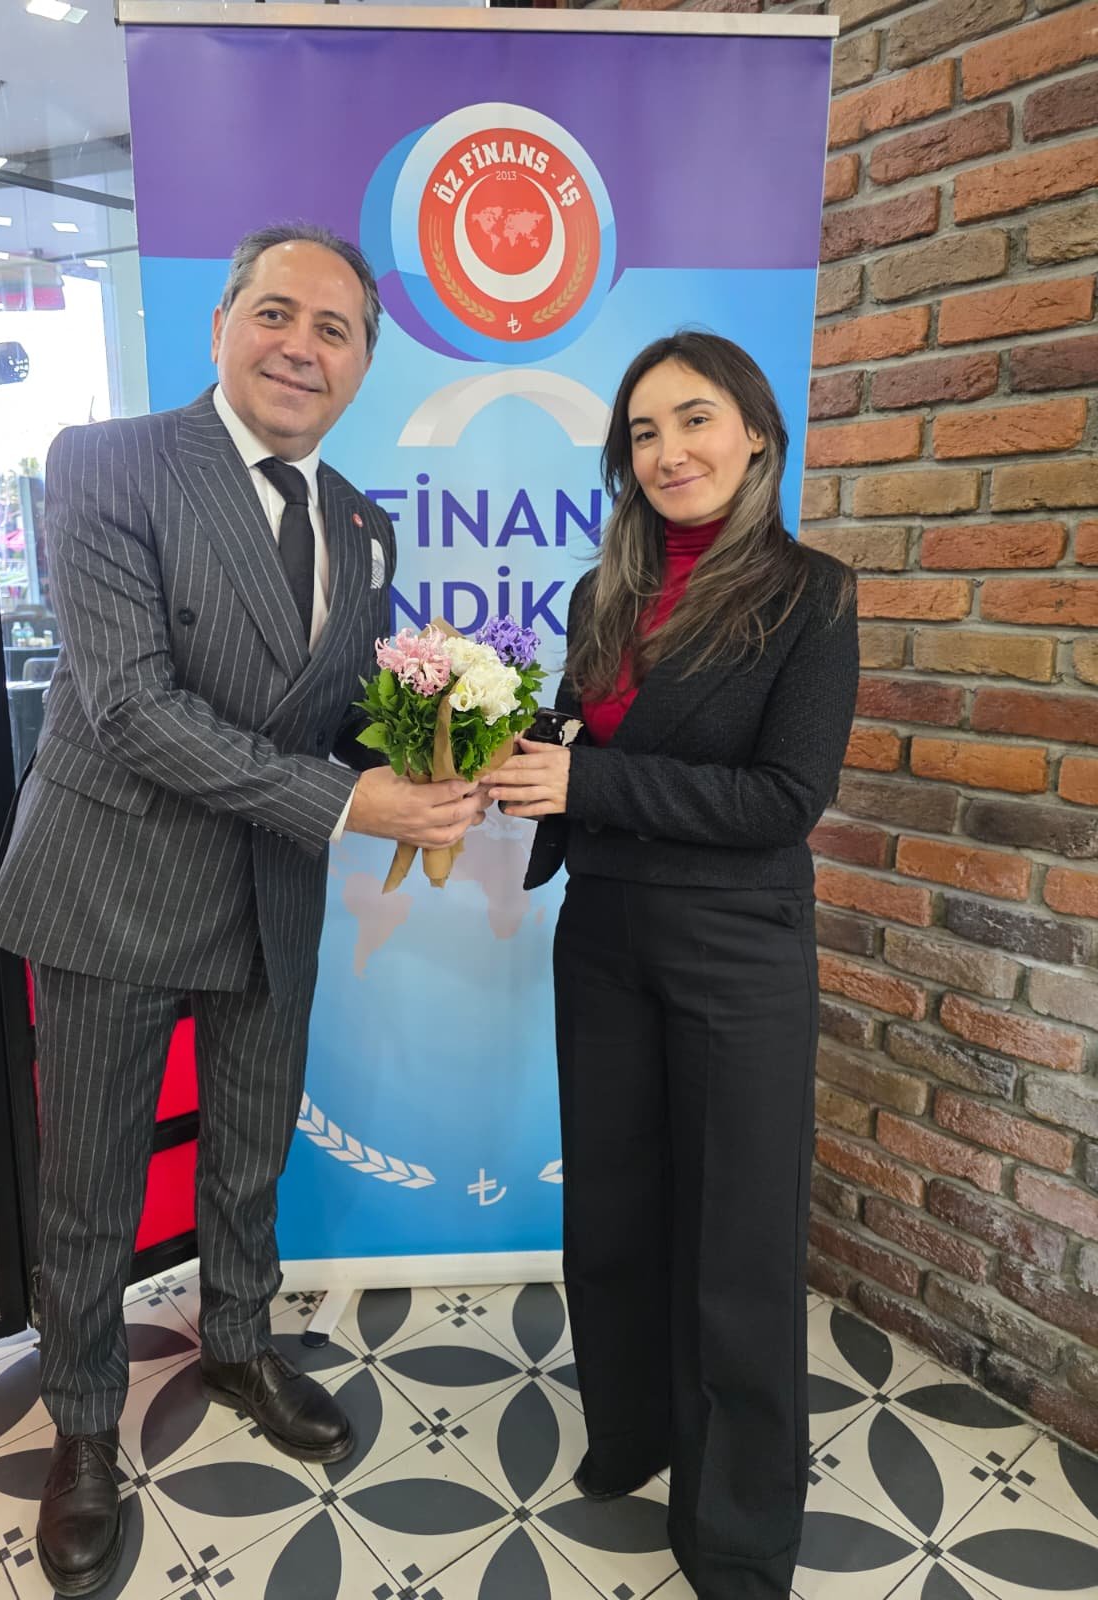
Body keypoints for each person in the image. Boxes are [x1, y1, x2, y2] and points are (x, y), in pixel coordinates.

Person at [0, 222, 487, 1597]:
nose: (300, 347)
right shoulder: (107, 462)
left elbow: (339, 714)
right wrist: (352, 805)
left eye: (334, 330)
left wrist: (451, 751)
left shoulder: (363, 524)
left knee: (250, 1146)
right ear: (221, 325)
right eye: (276, 313)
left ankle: (240, 1342)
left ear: (363, 365)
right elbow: (131, 709)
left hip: (270, 881)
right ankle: (85, 1422)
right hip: (114, 879)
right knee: (92, 1180)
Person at [482, 331, 858, 1599]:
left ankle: (737, 1531)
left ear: (756, 433)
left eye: (694, 419)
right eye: (644, 432)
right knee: (615, 1212)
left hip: (737, 945)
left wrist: (586, 780)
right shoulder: (606, 593)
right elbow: (590, 738)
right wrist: (506, 746)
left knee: (736, 1244)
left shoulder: (812, 595)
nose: (669, 451)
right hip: (603, 929)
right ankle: (633, 1430)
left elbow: (783, 800)